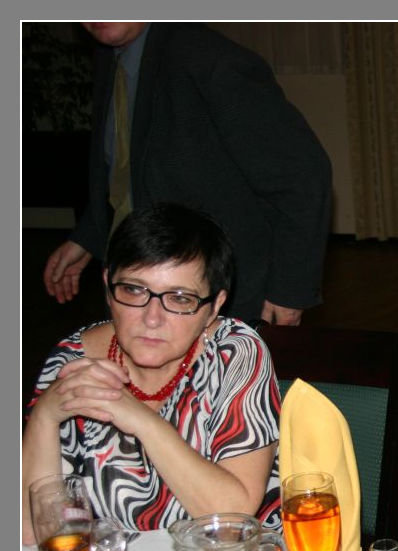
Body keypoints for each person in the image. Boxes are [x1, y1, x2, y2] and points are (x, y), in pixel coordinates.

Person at [42, 22, 332, 326]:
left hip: (220, 298)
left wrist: (289, 292)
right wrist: (89, 236)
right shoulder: (111, 54)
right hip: (148, 287)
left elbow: (303, 177)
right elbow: (127, 167)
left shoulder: (211, 61)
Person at [23, 203, 282, 540]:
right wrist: (44, 417)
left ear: (214, 306)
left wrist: (140, 419)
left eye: (180, 298)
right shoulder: (72, 360)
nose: (152, 318)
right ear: (108, 286)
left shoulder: (234, 354)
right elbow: (31, 536)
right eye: (134, 290)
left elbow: (233, 518)